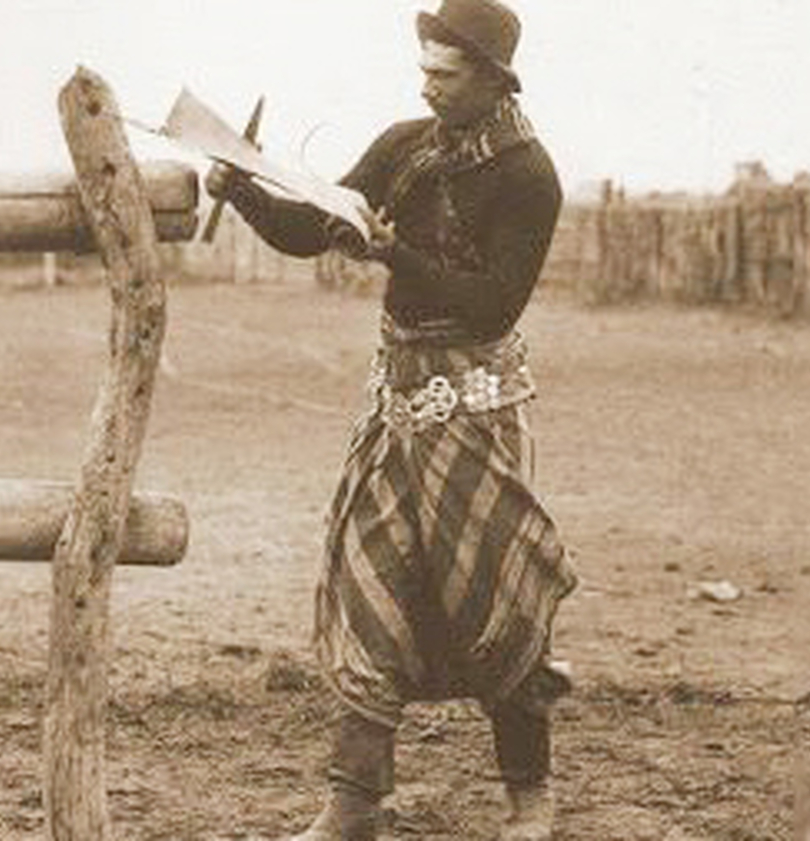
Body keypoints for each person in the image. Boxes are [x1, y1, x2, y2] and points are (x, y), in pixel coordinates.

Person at [204, 1, 578, 838]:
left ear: (491, 79)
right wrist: (244, 188)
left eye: (445, 75)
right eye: (424, 72)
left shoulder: (528, 176)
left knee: (496, 597)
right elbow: (314, 225)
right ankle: (353, 803)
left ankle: (530, 798)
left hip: (477, 414)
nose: (429, 87)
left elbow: (490, 306)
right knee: (368, 585)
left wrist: (391, 253)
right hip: (396, 403)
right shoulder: (404, 147)